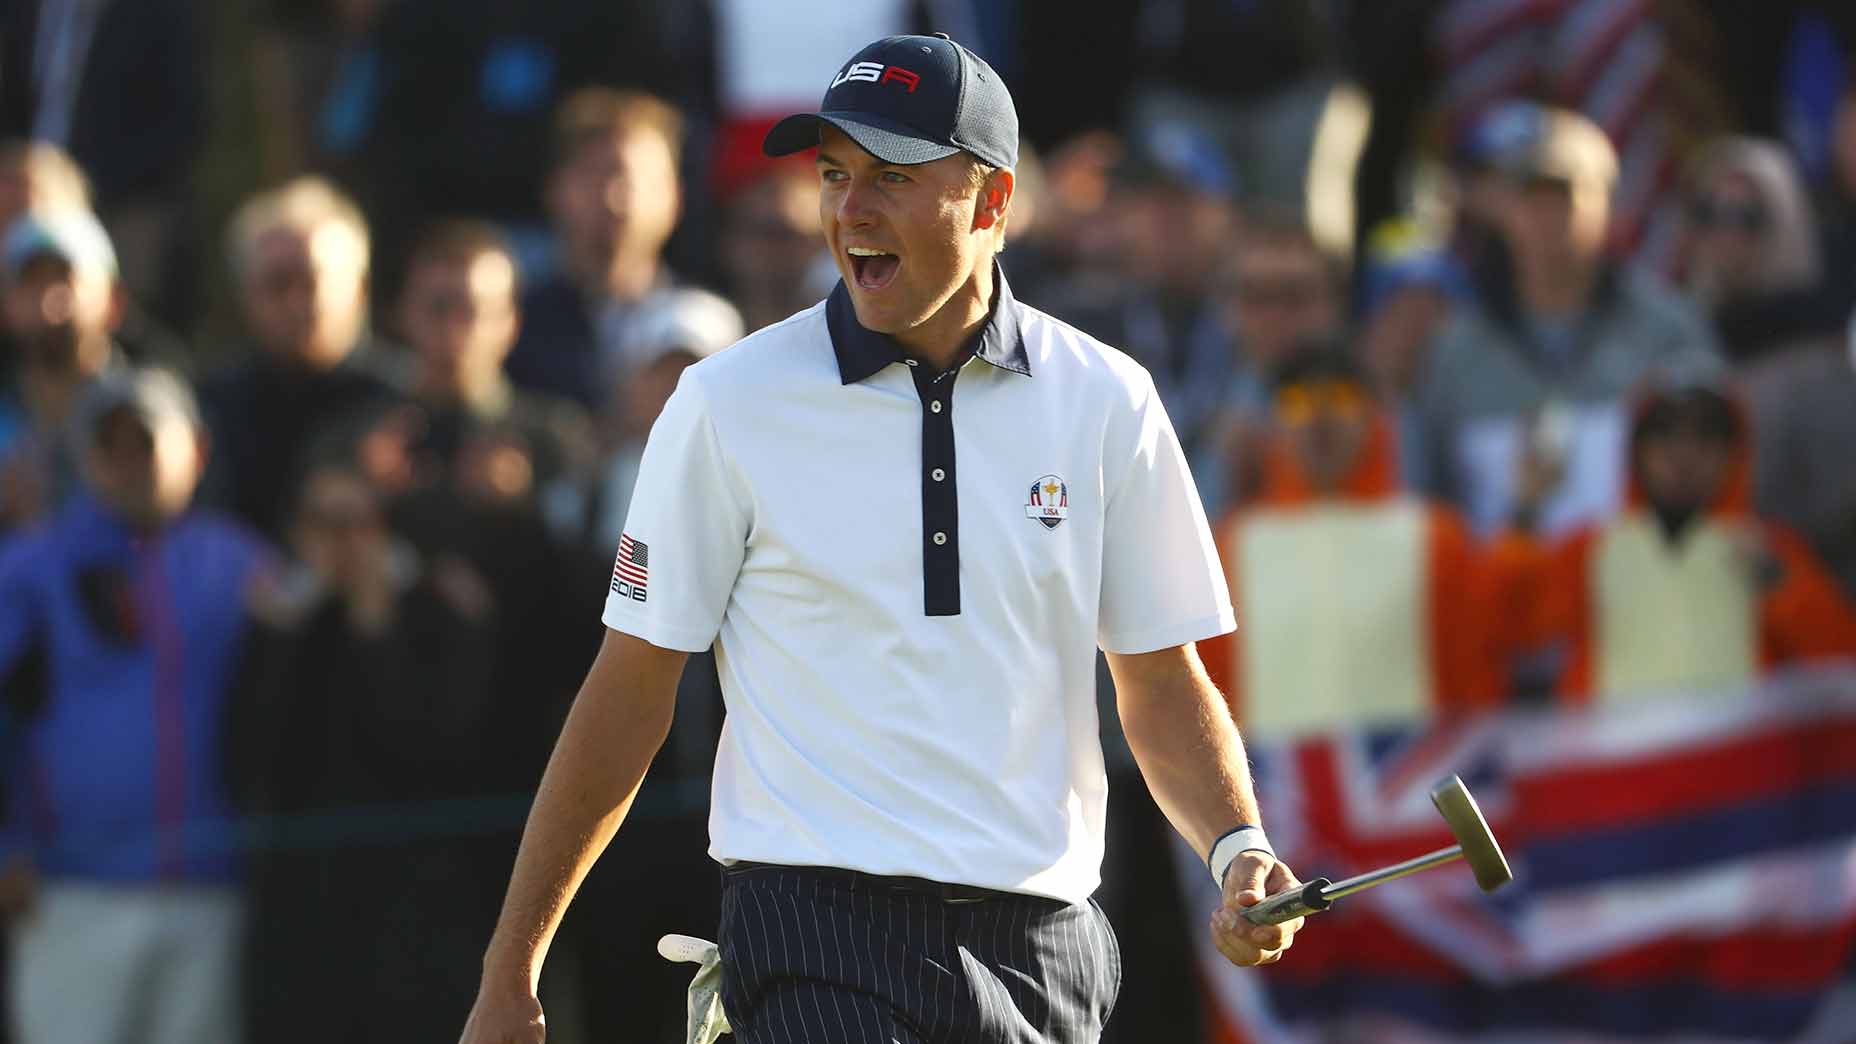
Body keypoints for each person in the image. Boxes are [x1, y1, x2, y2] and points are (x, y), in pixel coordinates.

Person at [460, 33, 1303, 1044]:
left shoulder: (1106, 401)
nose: (849, 209)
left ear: (991, 202)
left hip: (1045, 947)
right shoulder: (726, 404)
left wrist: (1235, 844)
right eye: (832, 174)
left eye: (892, 178)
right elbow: (627, 689)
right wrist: (512, 967)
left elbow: (1158, 681)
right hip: (814, 935)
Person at [0, 368, 270, 1044]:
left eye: (145, 442)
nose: (127, 463)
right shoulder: (30, 567)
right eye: (108, 445)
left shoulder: (240, 563)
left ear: (196, 451)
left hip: (208, 895)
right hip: (70, 896)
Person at [236, 462, 502, 1044]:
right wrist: (284, 633)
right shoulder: (277, 620)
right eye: (322, 523)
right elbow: (253, 756)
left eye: (355, 522)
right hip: (304, 909)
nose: (340, 542)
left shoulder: (435, 608)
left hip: (413, 910)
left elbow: (433, 748)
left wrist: (376, 624)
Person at [1408, 106, 1722, 537]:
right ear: (1501, 209)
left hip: (1635, 589)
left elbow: (1721, 473)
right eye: (1527, 196)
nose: (1546, 216)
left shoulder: (1669, 332)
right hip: (1500, 593)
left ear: (1609, 205)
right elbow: (1430, 499)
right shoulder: (1454, 350)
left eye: (1565, 194)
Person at [1196, 348, 1500, 738]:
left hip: (1409, 785)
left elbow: (1474, 675)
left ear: (1374, 415)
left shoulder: (1435, 538)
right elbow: (1208, 697)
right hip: (1278, 793)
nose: (1320, 420)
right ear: (1272, 425)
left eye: (1340, 398)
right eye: (1297, 404)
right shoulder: (1229, 549)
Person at [1491, 383, 1856, 702]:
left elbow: (1839, 660)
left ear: (1733, 453)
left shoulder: (1770, 550)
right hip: (1619, 768)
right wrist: (1525, 512)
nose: (1684, 455)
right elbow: (1509, 622)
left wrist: (1781, 585)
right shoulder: (1593, 550)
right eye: (1664, 435)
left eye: (1706, 437)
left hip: (1742, 768)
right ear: (1636, 451)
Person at [199, 175, 404, 538]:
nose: (296, 304)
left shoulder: (403, 401)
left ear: (359, 289)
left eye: (312, 282)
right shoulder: (211, 407)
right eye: (277, 283)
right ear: (245, 294)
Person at [504, 88, 689, 409]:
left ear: (675, 197)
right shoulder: (508, 327)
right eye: (594, 175)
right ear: (554, 189)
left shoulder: (710, 329)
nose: (613, 197)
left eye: (634, 179)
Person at [1191, 209, 1347, 519]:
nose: (1273, 317)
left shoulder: (1379, 404)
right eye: (1255, 297)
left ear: (1333, 305)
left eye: (1294, 297)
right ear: (1226, 309)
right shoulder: (1195, 405)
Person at [0, 208, 126, 529]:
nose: (48, 303)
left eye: (65, 278)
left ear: (113, 300)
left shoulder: (157, 415)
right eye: (30, 282)